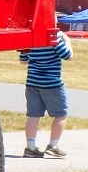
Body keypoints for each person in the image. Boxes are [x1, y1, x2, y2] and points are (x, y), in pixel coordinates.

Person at [21, 30, 73, 158]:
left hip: (32, 82)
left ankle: (30, 146)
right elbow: (68, 56)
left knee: (33, 115)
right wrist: (67, 41)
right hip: (52, 83)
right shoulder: (53, 39)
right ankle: (53, 145)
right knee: (61, 114)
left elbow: (23, 60)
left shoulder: (30, 39)